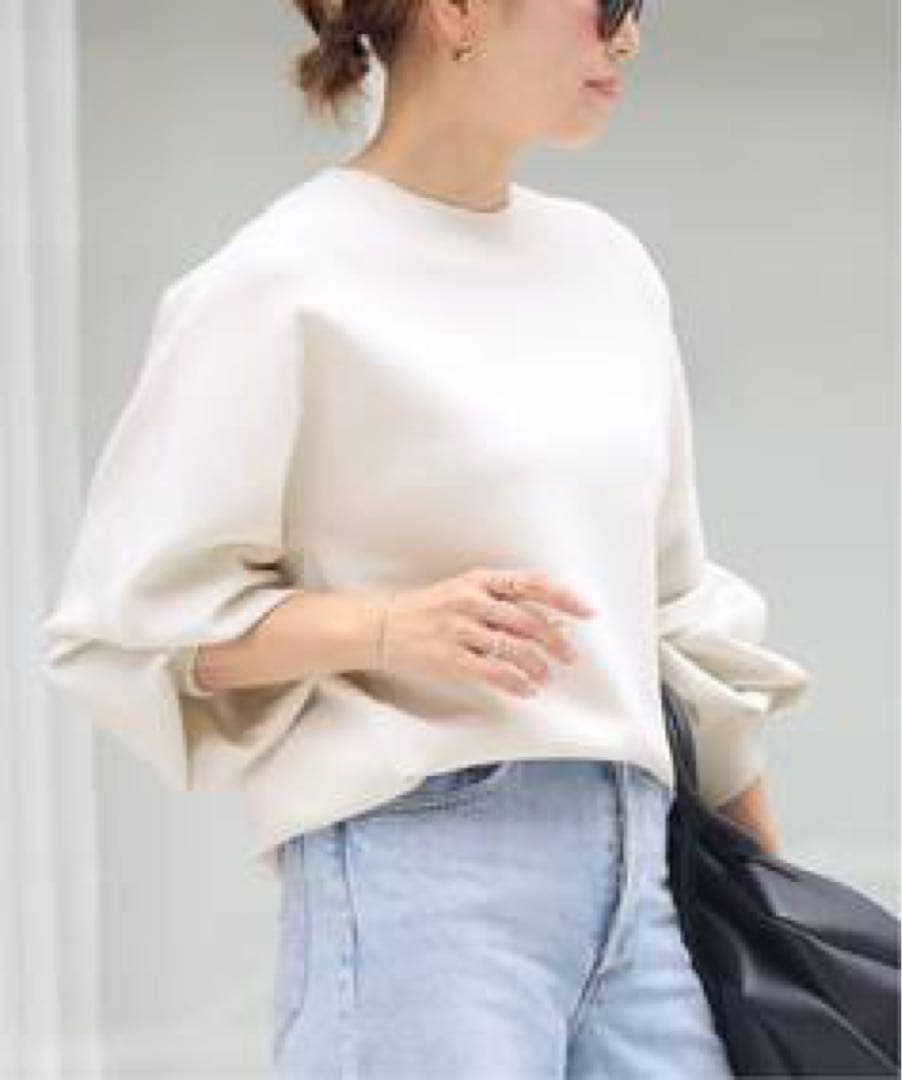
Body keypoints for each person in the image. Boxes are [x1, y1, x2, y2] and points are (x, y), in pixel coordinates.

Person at [41, 0, 813, 1075]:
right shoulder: (279, 281)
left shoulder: (610, 269)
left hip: (640, 871)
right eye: (606, 4)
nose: (628, 36)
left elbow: (678, 621)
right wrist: (386, 628)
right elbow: (134, 632)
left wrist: (782, 923)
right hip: (424, 883)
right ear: (455, 10)